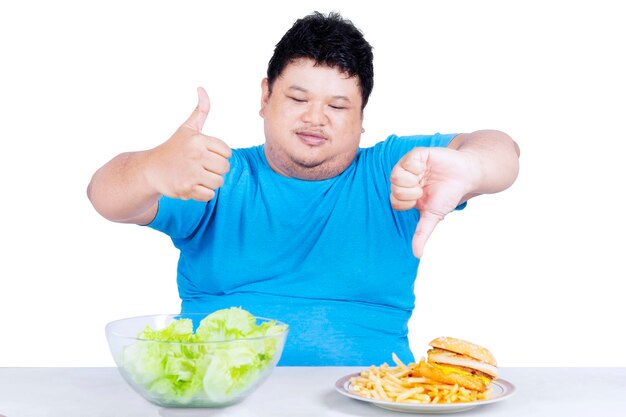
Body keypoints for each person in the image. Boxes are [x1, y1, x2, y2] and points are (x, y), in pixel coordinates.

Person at [87, 12, 520, 366]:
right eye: (297, 99)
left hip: (372, 402)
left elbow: (502, 149)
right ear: (265, 97)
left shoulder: (395, 171)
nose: (316, 118)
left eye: (337, 105)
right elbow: (104, 196)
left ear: (362, 116)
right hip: (215, 400)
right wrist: (149, 169)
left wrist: (470, 166)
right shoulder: (214, 172)